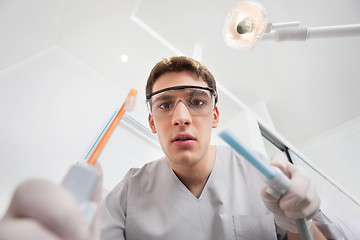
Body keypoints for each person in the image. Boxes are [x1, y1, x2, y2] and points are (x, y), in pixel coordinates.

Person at [0, 56, 332, 239]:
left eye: (197, 101)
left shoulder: (260, 171)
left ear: (214, 116)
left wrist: (301, 222)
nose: (181, 117)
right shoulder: (128, 192)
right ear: (151, 122)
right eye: (165, 105)